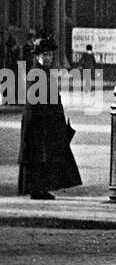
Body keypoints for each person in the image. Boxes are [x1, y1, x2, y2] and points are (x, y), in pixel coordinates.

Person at [17, 39, 83, 200]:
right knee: (38, 156)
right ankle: (37, 190)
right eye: (45, 55)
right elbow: (35, 103)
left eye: (51, 55)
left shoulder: (43, 72)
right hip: (38, 123)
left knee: (43, 156)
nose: (48, 58)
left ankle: (40, 189)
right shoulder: (36, 73)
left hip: (45, 122)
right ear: (37, 56)